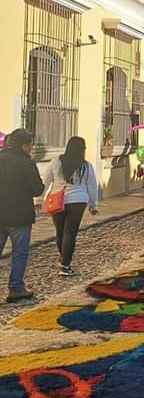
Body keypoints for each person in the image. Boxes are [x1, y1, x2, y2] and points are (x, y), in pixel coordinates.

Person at [42, 136, 99, 274]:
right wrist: (93, 204)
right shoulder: (86, 166)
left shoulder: (56, 162)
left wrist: (38, 200)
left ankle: (63, 257)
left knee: (60, 232)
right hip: (78, 201)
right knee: (70, 233)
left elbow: (46, 181)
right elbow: (92, 186)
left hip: (58, 200)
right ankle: (65, 264)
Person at [0, 128, 44, 301]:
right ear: (25, 145)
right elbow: (37, 189)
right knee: (20, 253)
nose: (31, 148)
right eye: (31, 145)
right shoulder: (26, 163)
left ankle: (16, 288)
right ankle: (16, 288)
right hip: (19, 217)